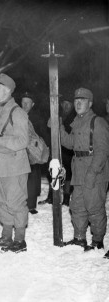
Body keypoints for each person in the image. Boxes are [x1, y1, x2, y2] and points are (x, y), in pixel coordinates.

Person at [0, 73, 30, 253]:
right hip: (1, 165)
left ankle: (19, 240)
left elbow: (22, 141)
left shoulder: (17, 112)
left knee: (16, 203)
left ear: (8, 90)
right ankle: (6, 237)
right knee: (3, 202)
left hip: (15, 166)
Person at [59, 88, 109, 252]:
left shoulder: (98, 122)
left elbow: (102, 152)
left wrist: (92, 173)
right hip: (78, 170)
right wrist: (58, 127)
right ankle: (79, 237)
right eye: (76, 100)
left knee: (94, 208)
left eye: (82, 100)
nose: (78, 103)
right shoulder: (77, 121)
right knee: (77, 206)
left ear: (90, 103)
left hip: (94, 172)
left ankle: (97, 241)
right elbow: (70, 143)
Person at [40, 98, 76, 206]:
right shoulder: (57, 114)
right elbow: (48, 130)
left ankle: (66, 197)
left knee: (68, 174)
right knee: (52, 171)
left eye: (68, 104)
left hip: (68, 150)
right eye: (64, 103)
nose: (66, 106)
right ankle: (51, 196)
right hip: (56, 147)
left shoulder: (74, 117)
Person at [21, 92, 45, 214]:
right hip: (20, 151)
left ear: (33, 104)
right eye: (23, 102)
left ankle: (31, 205)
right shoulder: (17, 115)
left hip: (32, 152)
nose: (25, 105)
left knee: (32, 178)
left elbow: (42, 135)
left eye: (28, 103)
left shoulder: (36, 118)